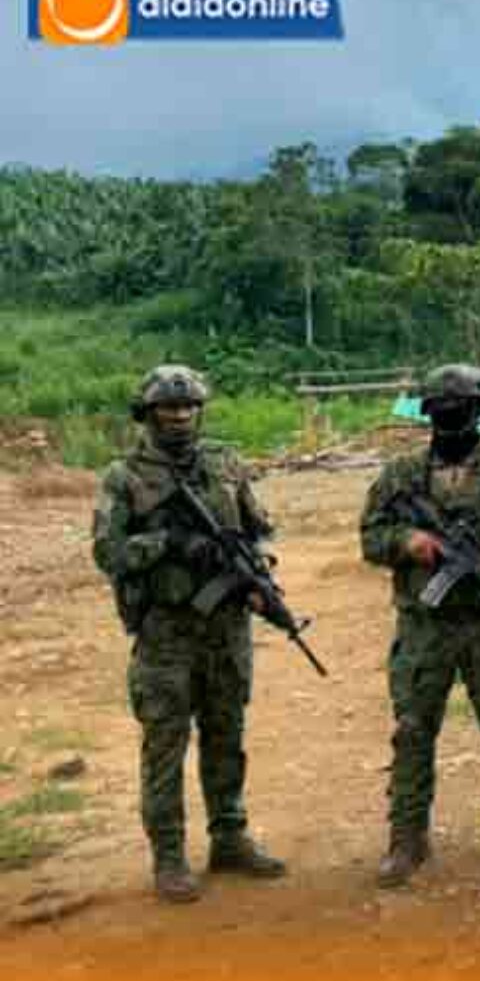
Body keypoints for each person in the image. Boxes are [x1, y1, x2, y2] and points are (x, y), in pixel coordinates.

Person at [91, 365, 289, 903]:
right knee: (165, 745)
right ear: (148, 414)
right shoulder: (125, 476)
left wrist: (259, 583)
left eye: (188, 408)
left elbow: (255, 531)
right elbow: (108, 553)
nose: (179, 417)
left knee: (226, 735)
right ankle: (170, 856)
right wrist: (170, 542)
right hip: (167, 631)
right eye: (167, 409)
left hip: (226, 628)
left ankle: (229, 836)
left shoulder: (226, 464)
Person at [360, 364, 480, 886]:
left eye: (461, 411)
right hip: (426, 626)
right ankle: (407, 839)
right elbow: (370, 537)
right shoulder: (401, 477)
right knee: (413, 732)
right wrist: (409, 543)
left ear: (478, 412)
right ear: (428, 416)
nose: (451, 421)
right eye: (442, 413)